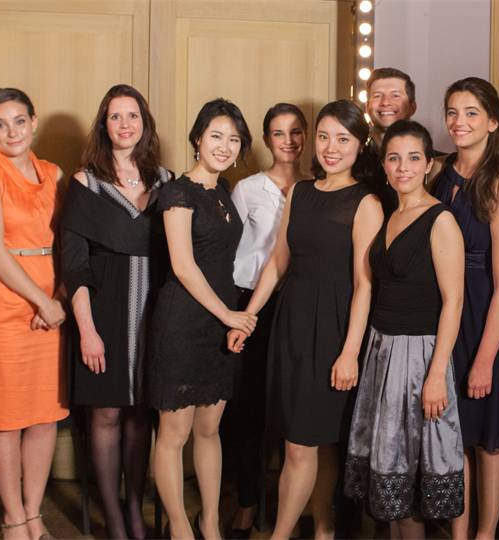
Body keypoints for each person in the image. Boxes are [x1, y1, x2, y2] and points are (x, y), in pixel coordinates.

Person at [228, 99, 384, 540]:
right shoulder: (301, 192)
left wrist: (350, 352)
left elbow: (364, 284)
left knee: (301, 444)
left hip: (333, 328)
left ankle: (280, 535)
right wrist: (248, 317)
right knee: (315, 440)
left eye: (343, 139)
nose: (331, 148)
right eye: (324, 137)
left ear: (360, 144)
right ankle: (323, 529)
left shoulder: (367, 202)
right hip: (292, 323)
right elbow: (278, 261)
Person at [343, 119, 465, 538]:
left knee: (408, 474)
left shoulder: (440, 219)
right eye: (394, 158)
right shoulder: (391, 213)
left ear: (429, 164)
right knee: (389, 473)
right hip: (382, 349)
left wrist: (436, 374)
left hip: (418, 357)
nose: (403, 167)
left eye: (413, 158)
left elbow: (454, 302)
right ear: (384, 164)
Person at [60, 84, 171, 539]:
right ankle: (115, 522)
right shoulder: (85, 182)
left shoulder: (165, 180)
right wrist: (87, 330)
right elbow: (74, 264)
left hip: (154, 317)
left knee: (141, 416)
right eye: (115, 116)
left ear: (144, 123)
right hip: (102, 314)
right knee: (105, 415)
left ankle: (135, 511)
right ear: (103, 126)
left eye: (132, 115)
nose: (125, 124)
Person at [148, 98, 256, 540]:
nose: (225, 146)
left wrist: (232, 320)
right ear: (197, 139)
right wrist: (229, 314)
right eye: (216, 136)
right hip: (182, 322)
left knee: (210, 430)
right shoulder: (177, 192)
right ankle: (179, 528)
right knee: (174, 433)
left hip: (220, 324)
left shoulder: (225, 191)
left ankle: (209, 523)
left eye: (234, 139)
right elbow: (183, 266)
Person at [0, 87, 68, 539]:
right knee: (4, 419)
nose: (12, 132)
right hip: (3, 304)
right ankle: (12, 518)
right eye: (0, 124)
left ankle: (33, 512)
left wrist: (58, 298)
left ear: (34, 122)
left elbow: (70, 243)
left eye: (20, 121)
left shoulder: (54, 173)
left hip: (52, 303)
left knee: (45, 415)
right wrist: (41, 302)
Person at [427, 77, 499, 540]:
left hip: (483, 315)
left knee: (489, 435)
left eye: (470, 113)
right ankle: (458, 533)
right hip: (441, 311)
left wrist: (485, 359)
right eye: (452, 112)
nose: (458, 122)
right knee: (454, 431)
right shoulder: (436, 172)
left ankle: (486, 534)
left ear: (492, 122)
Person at [221, 102, 308, 538]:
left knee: (293, 411)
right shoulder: (247, 189)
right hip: (252, 302)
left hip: (298, 305)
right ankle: (247, 503)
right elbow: (231, 250)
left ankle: (297, 507)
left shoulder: (316, 188)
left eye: (295, 132)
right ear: (266, 139)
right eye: (278, 133)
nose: (288, 141)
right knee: (247, 409)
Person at [360, 67, 420, 215]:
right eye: (377, 96)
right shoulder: (353, 162)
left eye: (395, 95)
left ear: (412, 107)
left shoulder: (434, 164)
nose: (385, 102)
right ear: (367, 107)